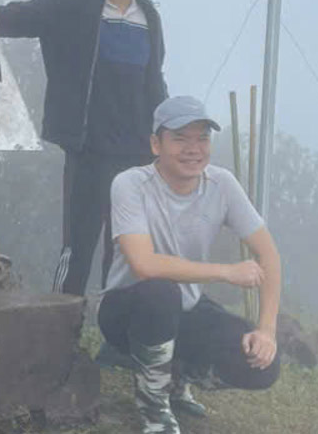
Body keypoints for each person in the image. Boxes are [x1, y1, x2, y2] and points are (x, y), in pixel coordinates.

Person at [0, 0, 166, 296]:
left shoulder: (149, 17)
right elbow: (19, 18)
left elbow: (154, 82)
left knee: (125, 248)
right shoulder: (75, 1)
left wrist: (168, 133)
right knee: (78, 245)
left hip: (138, 154)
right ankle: (64, 327)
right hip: (88, 148)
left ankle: (114, 331)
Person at [100, 96, 281, 434]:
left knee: (261, 366)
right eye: (180, 138)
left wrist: (267, 330)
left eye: (202, 138)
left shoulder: (222, 184)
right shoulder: (130, 184)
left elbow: (268, 254)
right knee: (160, 293)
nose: (193, 148)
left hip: (187, 307)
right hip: (128, 310)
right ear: (156, 144)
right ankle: (153, 405)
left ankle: (176, 377)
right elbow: (144, 265)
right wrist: (226, 272)